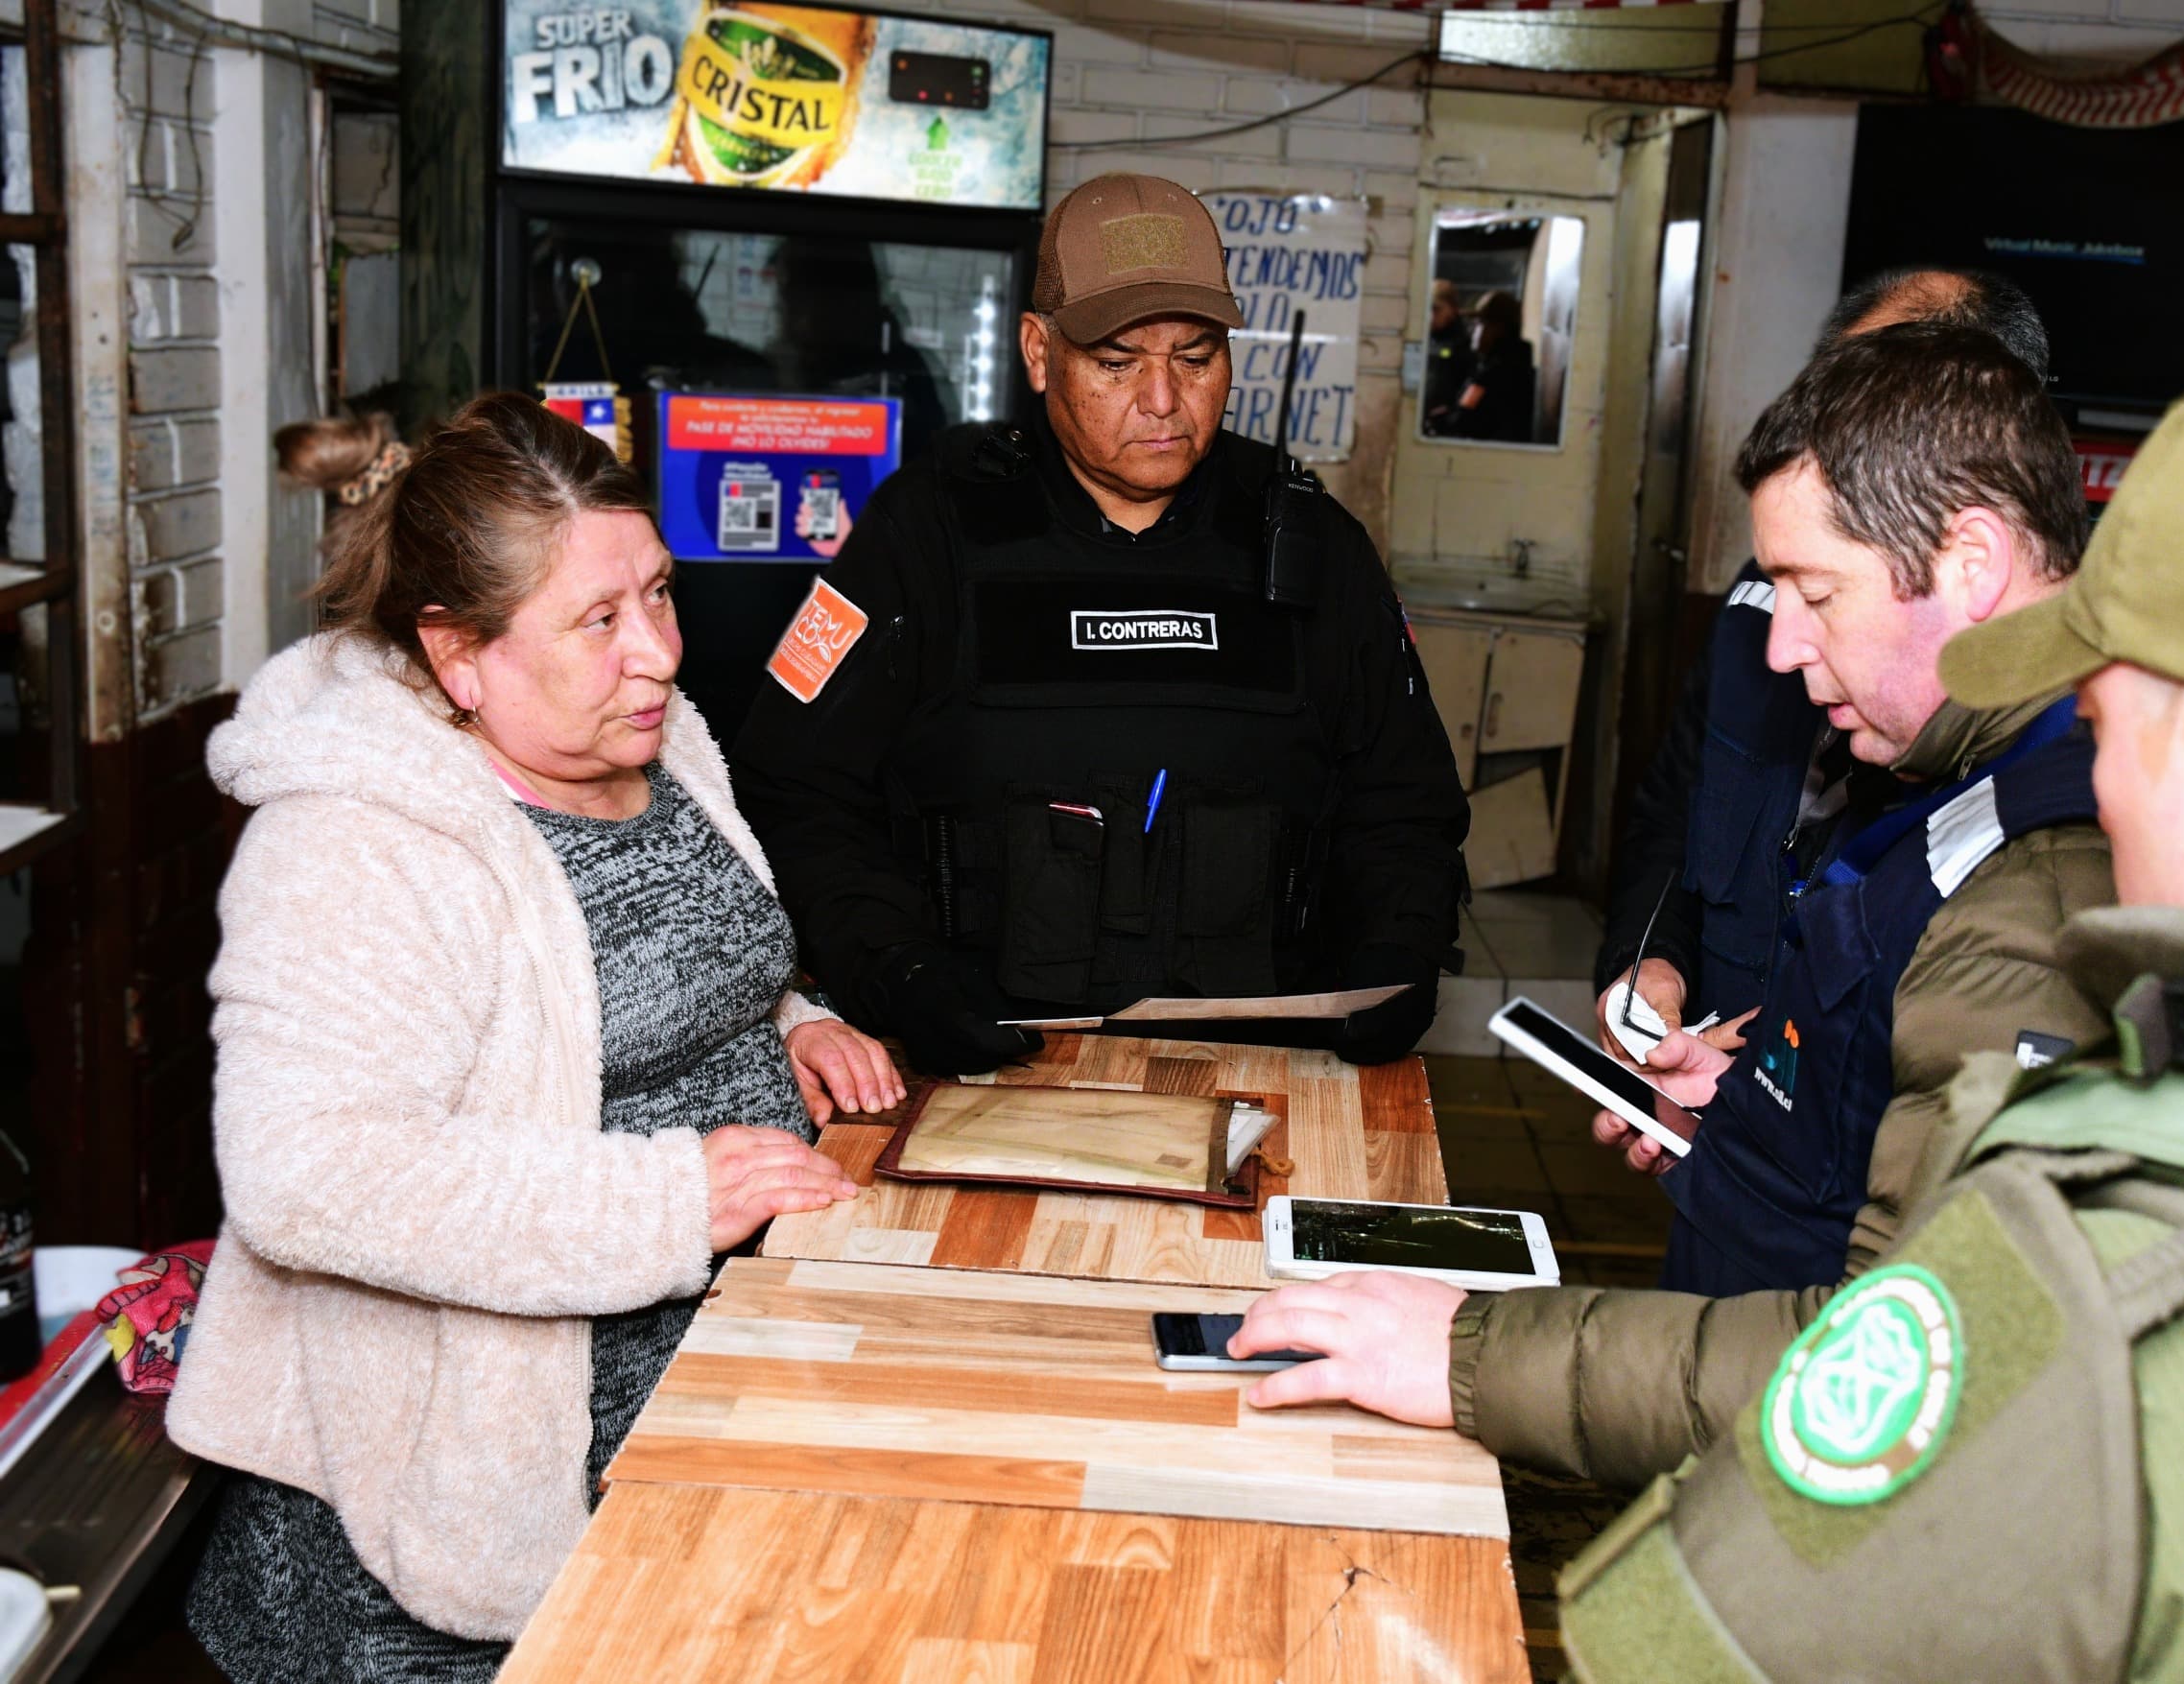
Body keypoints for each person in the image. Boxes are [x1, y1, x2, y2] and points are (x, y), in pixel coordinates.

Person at [1535, 330, 2184, 1682]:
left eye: (2114, 709)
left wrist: (1469, 1355)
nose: (2096, 766)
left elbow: (1694, 1643)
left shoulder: (2133, 1245)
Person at [1231, 321, 2113, 1483]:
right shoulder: (1955, 785)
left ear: (1972, 561)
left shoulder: (2049, 874)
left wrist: (1471, 1355)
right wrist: (1758, 1109)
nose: (1782, 648)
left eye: (1815, 592)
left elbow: (1907, 1376)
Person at [173, 395, 893, 1679]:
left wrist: (788, 1019)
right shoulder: (350, 842)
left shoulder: (651, 729)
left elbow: (646, 975)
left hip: (698, 1429)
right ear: (458, 655)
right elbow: (306, 1174)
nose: (658, 651)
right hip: (448, 1540)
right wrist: (676, 1195)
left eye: (659, 593)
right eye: (599, 620)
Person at [732, 174, 1468, 1076]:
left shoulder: (1314, 544)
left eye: (1196, 357)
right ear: (1039, 353)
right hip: (983, 1069)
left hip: (1266, 1073)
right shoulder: (923, 535)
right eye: (1118, 363)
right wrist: (896, 968)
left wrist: (1396, 953)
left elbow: (1405, 803)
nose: (1163, 398)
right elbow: (793, 790)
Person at [1594, 267, 2053, 1104]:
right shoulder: (1763, 606)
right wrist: (1650, 961)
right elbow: (1675, 814)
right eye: (1830, 397)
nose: (1788, 644)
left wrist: (1767, 1086)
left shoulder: (2051, 757)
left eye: (1877, 406)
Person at [1428, 290, 1536, 442]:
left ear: (1498, 328)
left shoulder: (1496, 374)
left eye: (1480, 323)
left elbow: (1466, 420)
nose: (1474, 330)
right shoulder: (1502, 365)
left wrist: (1444, 420)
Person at [1420, 277, 1474, 423]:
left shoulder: (1466, 342)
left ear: (1452, 309)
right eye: (1426, 309)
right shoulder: (1422, 337)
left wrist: (1453, 411)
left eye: (1436, 309)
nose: (1430, 316)